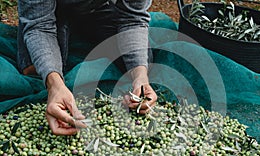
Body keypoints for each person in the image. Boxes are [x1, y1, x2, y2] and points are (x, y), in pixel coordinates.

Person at [17, 0, 157, 136]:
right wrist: (54, 84)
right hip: (50, 10)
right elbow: (40, 26)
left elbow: (132, 19)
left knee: (139, 64)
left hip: (99, 7)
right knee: (34, 69)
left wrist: (140, 77)